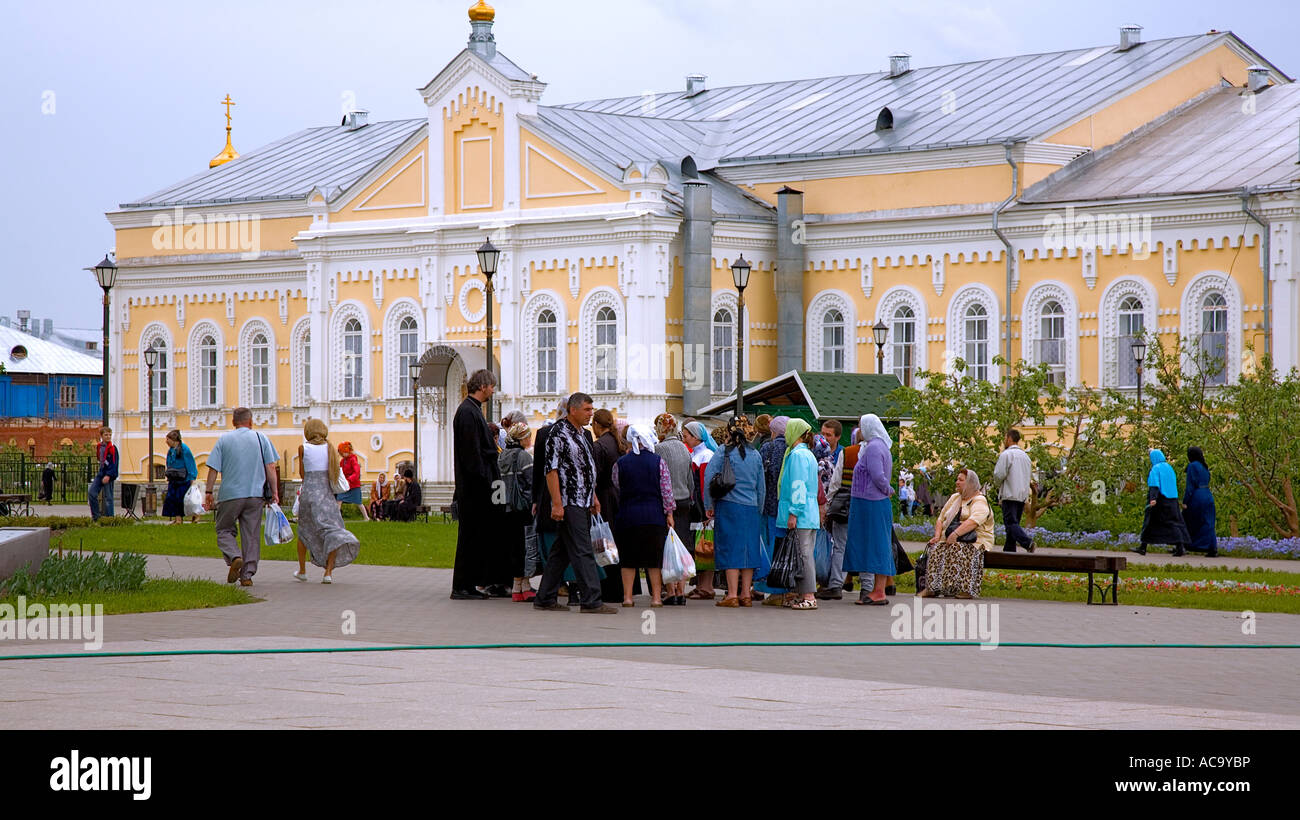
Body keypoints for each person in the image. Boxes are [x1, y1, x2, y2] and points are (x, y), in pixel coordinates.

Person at [534, 392, 617, 615]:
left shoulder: (582, 434)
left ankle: (545, 597)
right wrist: (557, 503)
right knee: (582, 550)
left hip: (583, 499)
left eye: (592, 409)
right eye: (587, 410)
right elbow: (550, 470)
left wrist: (593, 497)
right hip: (569, 501)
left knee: (561, 551)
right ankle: (592, 599)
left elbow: (586, 469)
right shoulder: (558, 434)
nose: (591, 414)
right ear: (573, 410)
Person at [202, 407, 279, 587]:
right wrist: (274, 492)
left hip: (230, 495)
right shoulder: (261, 438)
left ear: (233, 422)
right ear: (250, 421)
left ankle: (235, 556)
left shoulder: (224, 440)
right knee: (251, 534)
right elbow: (271, 467)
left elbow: (213, 468)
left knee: (223, 529)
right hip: (255, 495)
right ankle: (247, 576)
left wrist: (208, 492)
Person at [451, 368, 506, 599]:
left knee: (476, 537)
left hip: (478, 486)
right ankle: (462, 586)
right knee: (469, 537)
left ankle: (470, 583)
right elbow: (472, 455)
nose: (493, 390)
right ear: (482, 386)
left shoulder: (472, 411)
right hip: (474, 489)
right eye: (491, 386)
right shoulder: (467, 413)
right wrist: (485, 482)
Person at [704, 417, 766, 607]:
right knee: (749, 549)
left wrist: (709, 505)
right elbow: (761, 486)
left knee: (731, 549)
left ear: (729, 432)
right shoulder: (755, 454)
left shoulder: (723, 452)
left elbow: (709, 478)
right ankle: (746, 594)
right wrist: (759, 509)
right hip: (751, 508)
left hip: (729, 506)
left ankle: (731, 594)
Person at [612, 424, 675, 607]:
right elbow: (666, 490)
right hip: (653, 516)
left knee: (628, 559)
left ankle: (628, 598)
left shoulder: (621, 463)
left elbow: (616, 484)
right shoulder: (658, 461)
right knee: (653, 560)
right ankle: (656, 598)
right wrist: (669, 513)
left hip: (627, 516)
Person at [293, 419, 361, 583]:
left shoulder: (303, 448)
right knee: (332, 530)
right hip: (325, 495)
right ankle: (328, 573)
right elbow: (334, 473)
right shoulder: (330, 448)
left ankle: (302, 570)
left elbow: (303, 475)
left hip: (308, 494)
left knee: (303, 531)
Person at [844, 414, 895, 605]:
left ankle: (879, 591)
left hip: (871, 503)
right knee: (876, 544)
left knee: (877, 545)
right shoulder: (878, 446)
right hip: (870, 502)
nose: (860, 429)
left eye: (861, 425)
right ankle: (877, 589)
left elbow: (878, 476)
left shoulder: (873, 448)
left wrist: (888, 489)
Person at [922, 468, 994, 598]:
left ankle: (965, 590)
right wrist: (937, 536)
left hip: (976, 539)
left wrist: (955, 534)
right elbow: (941, 518)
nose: (957, 482)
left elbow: (974, 521)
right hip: (951, 536)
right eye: (957, 479)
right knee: (936, 548)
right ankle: (932, 588)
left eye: (960, 480)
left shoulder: (979, 500)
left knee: (958, 548)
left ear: (970, 483)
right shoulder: (955, 498)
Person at [776, 418, 821, 611]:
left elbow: (798, 485)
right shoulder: (806, 454)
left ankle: (809, 595)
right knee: (804, 553)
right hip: (809, 512)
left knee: (803, 555)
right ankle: (802, 593)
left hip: (801, 512)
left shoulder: (797, 456)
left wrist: (793, 512)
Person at [654, 413, 694, 606]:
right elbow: (690, 478)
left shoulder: (658, 449)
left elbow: (659, 478)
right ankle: (681, 590)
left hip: (666, 503)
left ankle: (670, 591)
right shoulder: (685, 449)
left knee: (668, 547)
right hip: (685, 500)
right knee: (682, 545)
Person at [498, 422, 536, 602]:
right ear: (522, 438)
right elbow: (531, 483)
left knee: (513, 547)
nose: (530, 439)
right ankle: (524, 586)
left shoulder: (502, 456)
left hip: (505, 508)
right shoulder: (524, 457)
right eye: (528, 436)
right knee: (526, 547)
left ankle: (516, 588)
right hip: (522, 509)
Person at [682, 421, 719, 600]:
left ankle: (707, 587)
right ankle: (701, 585)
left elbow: (705, 484)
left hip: (701, 507)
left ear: (696, 437)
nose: (684, 438)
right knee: (701, 546)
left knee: (706, 547)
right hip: (697, 506)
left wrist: (707, 508)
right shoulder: (698, 453)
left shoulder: (706, 455)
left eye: (686, 435)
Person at [591, 409, 625, 603]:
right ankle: (620, 589)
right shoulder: (617, 443)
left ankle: (607, 589)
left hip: (603, 497)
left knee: (604, 542)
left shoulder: (599, 446)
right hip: (618, 496)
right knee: (616, 542)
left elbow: (594, 476)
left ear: (597, 424)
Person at [758, 415, 790, 605]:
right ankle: (789, 588)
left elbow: (761, 476)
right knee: (786, 548)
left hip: (769, 506)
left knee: (771, 547)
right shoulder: (792, 448)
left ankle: (774, 591)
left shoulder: (767, 447)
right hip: (787, 506)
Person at [1134, 449, 1190, 556]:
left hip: (1160, 500)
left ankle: (1143, 547)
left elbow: (1154, 485)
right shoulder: (1169, 468)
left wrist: (1153, 498)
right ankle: (1180, 547)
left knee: (1149, 522)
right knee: (1174, 523)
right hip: (1172, 500)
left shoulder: (1155, 469)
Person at [992, 429, 1035, 552]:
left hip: (1009, 493)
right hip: (1022, 495)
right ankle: (1009, 552)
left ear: (1009, 438)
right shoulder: (1026, 457)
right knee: (1012, 525)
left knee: (1010, 523)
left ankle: (1027, 543)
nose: (1004, 441)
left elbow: (999, 474)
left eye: (1005, 438)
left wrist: (998, 486)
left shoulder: (1006, 455)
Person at [1183, 446, 1218, 557]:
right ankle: (1212, 547)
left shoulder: (1192, 466)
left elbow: (1190, 486)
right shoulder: (1204, 467)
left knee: (1187, 519)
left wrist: (1185, 501)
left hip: (1197, 496)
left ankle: (1186, 545)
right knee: (1208, 522)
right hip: (1207, 494)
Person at [161, 430, 198, 524]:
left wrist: (192, 477)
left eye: (168, 439)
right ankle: (178, 519)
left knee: (183, 499)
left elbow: (190, 463)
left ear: (174, 440)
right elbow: (169, 463)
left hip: (183, 479)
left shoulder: (184, 449)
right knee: (172, 498)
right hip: (173, 478)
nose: (166, 441)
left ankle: (195, 515)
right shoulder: (171, 450)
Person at [334, 441, 371, 521]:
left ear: (346, 451)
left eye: (341, 452)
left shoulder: (353, 459)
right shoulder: (342, 461)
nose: (340, 455)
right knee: (339, 499)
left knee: (358, 502)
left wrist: (349, 479)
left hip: (354, 485)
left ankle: (366, 517)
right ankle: (337, 518)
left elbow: (356, 472)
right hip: (345, 485)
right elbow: (340, 471)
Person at [88, 426, 118, 520]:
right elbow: (100, 459)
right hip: (101, 473)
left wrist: (108, 475)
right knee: (92, 493)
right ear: (101, 436)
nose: (108, 437)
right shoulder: (99, 447)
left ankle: (110, 518)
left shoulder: (112, 448)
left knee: (108, 497)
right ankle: (96, 517)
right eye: (106, 435)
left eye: (110, 435)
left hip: (108, 475)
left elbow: (114, 463)